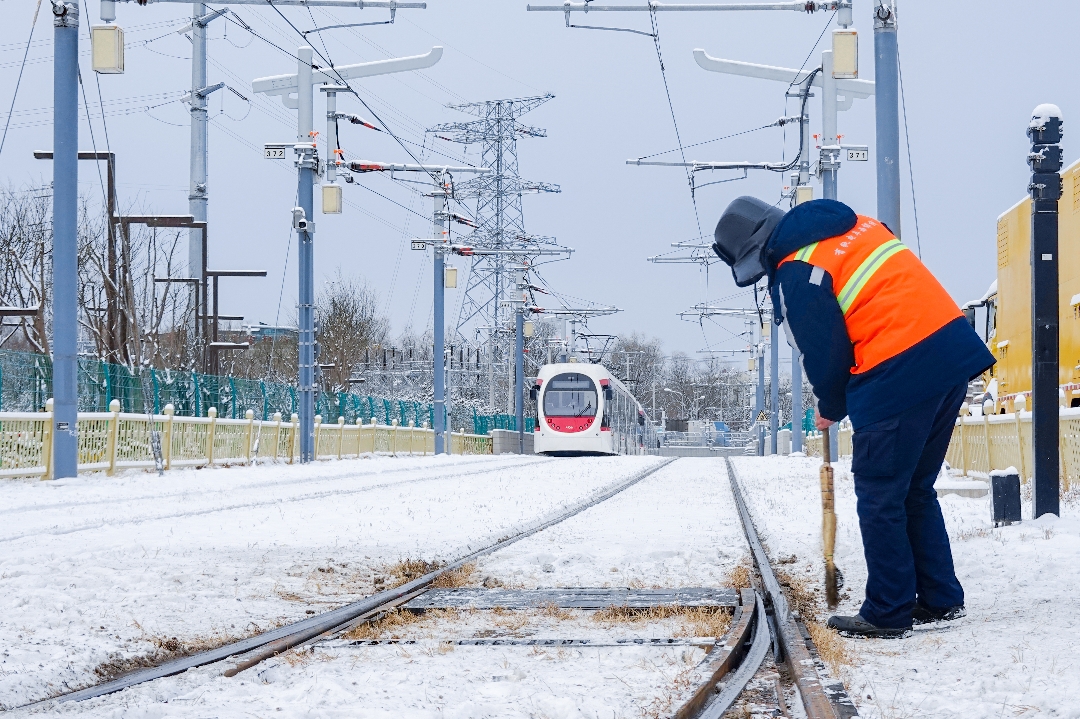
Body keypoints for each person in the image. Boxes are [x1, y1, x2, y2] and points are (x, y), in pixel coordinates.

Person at [711, 196, 995, 638]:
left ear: (759, 249)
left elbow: (825, 352)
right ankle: (941, 598)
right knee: (914, 490)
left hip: (897, 368)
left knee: (881, 493)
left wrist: (829, 405)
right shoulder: (857, 226)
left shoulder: (797, 268)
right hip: (950, 355)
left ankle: (888, 610)